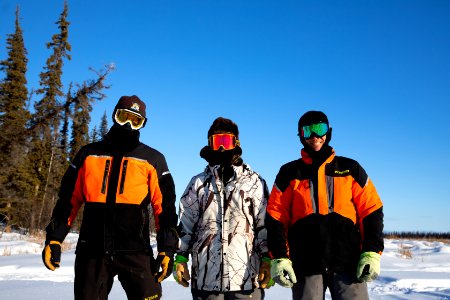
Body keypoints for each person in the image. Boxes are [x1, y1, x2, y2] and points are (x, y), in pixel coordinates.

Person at [42, 95, 178, 300]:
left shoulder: (153, 159)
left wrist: (166, 249)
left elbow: (165, 207)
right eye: (124, 117)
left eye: (136, 120)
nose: (128, 125)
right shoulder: (88, 154)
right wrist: (54, 238)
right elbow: (68, 200)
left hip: (135, 251)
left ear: (142, 124)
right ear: (115, 116)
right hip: (92, 251)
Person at [266, 111, 384, 300]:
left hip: (348, 263)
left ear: (328, 132)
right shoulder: (289, 172)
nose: (315, 137)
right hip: (306, 264)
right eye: (308, 131)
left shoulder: (351, 168)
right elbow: (275, 216)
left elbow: (371, 210)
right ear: (300, 135)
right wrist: (280, 257)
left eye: (319, 129)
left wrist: (371, 251)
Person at [174, 117, 273, 300]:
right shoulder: (198, 183)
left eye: (225, 141)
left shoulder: (254, 182)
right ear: (209, 144)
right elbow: (186, 224)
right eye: (216, 141)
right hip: (206, 279)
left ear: (235, 143)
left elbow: (263, 225)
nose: (221, 147)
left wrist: (267, 259)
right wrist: (180, 258)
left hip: (246, 279)